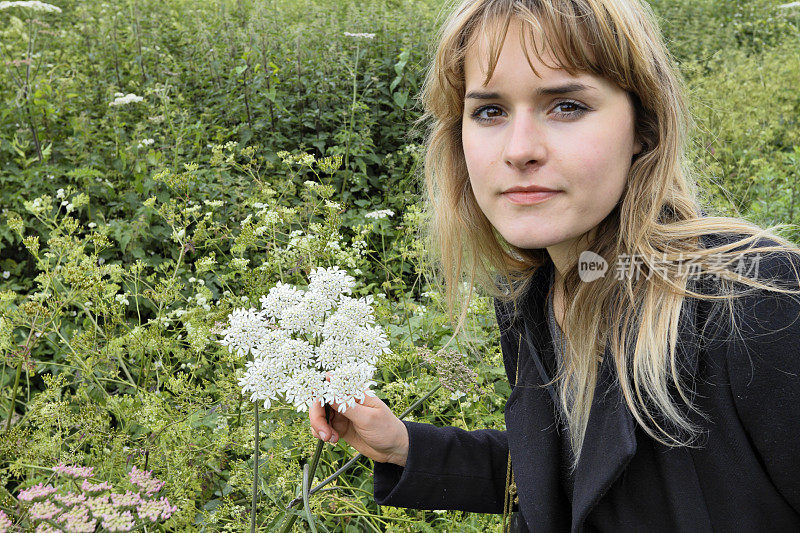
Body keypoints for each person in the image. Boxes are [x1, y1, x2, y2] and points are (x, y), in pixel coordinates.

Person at [310, 0, 800, 530]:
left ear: (644, 127)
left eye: (566, 105)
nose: (519, 150)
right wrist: (406, 447)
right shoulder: (534, 293)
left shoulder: (755, 300)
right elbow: (575, 482)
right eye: (490, 111)